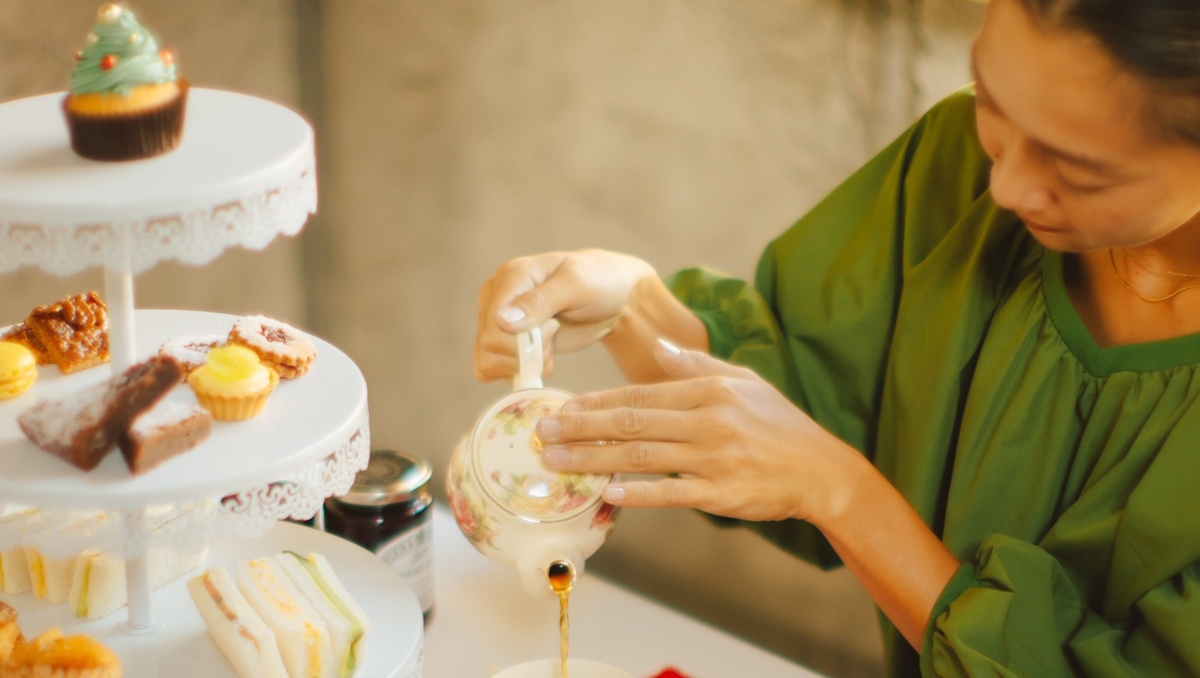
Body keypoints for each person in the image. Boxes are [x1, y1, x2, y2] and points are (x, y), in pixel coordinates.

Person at [472, 0, 1200, 675]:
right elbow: (803, 421)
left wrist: (841, 491)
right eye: (990, 99)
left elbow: (818, 467)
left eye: (1077, 171)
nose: (1007, 188)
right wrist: (631, 307)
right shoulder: (957, 170)